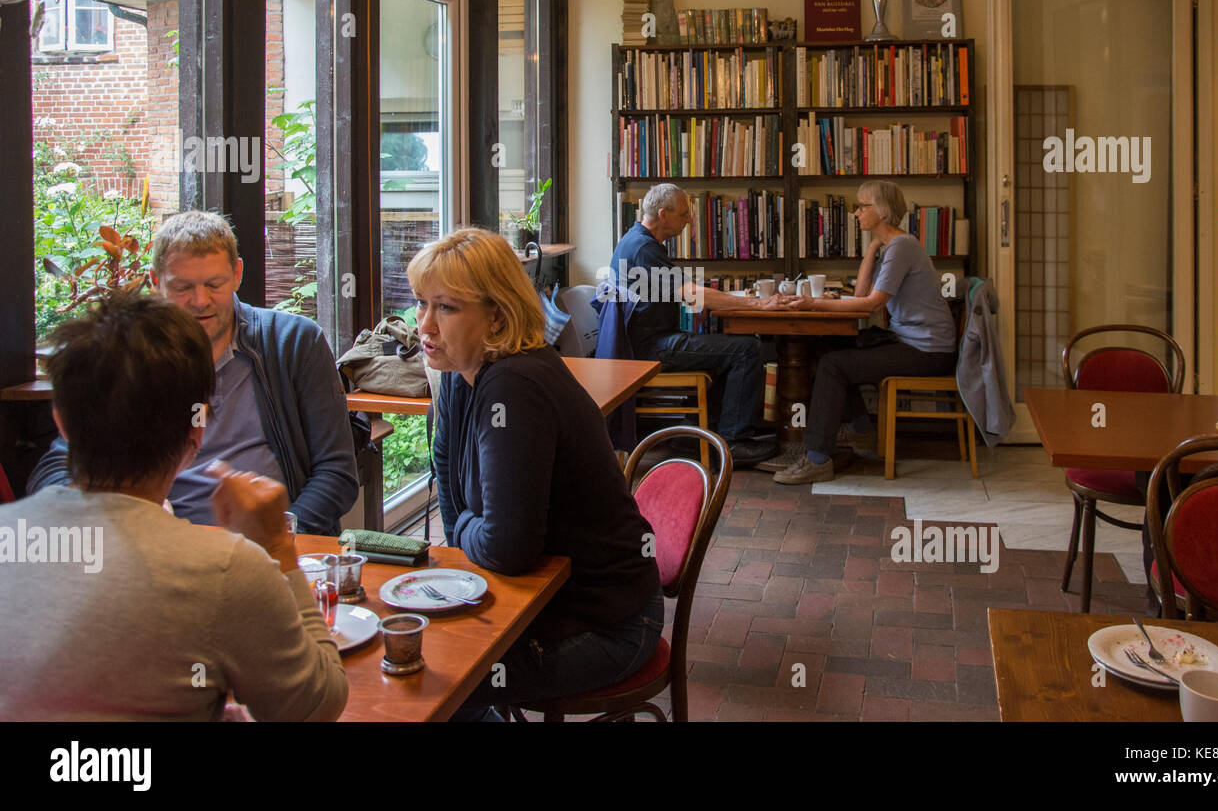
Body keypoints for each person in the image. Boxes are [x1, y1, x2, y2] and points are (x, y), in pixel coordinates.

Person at [0, 292, 348, 720]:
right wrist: (277, 547)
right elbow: (316, 706)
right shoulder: (226, 569)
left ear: (61, 423)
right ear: (197, 431)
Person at [415, 228, 663, 717]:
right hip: (548, 603)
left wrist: (463, 526)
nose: (424, 325)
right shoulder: (467, 373)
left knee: (423, 681)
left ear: (497, 315)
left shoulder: (514, 386)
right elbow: (447, 469)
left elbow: (507, 550)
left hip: (607, 626)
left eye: (446, 308)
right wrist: (468, 527)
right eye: (421, 303)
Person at [27, 211, 358, 535]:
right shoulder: (136, 357)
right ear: (156, 283)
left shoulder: (293, 342)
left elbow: (336, 473)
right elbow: (58, 463)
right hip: (160, 549)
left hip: (271, 544)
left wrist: (279, 534)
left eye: (215, 284)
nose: (201, 301)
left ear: (237, 274)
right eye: (183, 287)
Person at [774, 180, 958, 484]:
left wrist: (814, 304)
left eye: (863, 206)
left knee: (834, 365)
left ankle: (818, 459)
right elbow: (861, 293)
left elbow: (871, 305)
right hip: (913, 342)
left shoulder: (902, 246)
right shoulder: (892, 245)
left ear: (882, 211)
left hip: (927, 351)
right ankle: (862, 431)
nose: (856, 212)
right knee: (826, 349)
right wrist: (873, 244)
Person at [607, 183, 777, 465]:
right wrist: (757, 303)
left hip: (647, 340)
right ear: (663, 215)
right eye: (684, 214)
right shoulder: (643, 249)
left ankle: (700, 432)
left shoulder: (638, 241)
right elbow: (690, 293)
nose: (689, 220)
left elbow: (683, 290)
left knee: (731, 349)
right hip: (652, 348)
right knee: (747, 350)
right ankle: (732, 442)